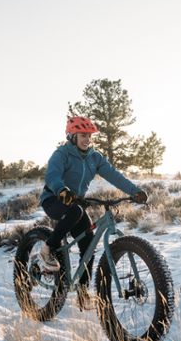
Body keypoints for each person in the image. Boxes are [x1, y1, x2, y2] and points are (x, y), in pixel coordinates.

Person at [40, 116, 147, 309]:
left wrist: (134, 191)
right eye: (82, 135)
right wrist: (61, 190)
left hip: (76, 204)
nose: (87, 139)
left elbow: (114, 175)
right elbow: (52, 175)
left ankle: (82, 294)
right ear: (72, 136)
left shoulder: (94, 157)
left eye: (89, 136)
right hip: (54, 199)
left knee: (88, 245)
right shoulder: (62, 154)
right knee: (76, 212)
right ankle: (48, 247)